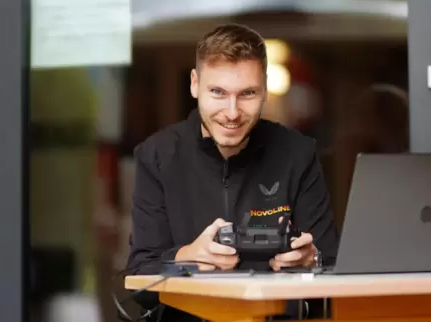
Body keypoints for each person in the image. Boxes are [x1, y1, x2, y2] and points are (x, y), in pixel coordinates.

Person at [124, 23, 339, 321]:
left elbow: (335, 269)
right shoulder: (157, 156)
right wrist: (187, 258)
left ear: (264, 88)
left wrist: (311, 259)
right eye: (218, 92)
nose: (232, 112)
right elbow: (139, 282)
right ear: (195, 84)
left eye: (247, 94)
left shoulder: (297, 154)